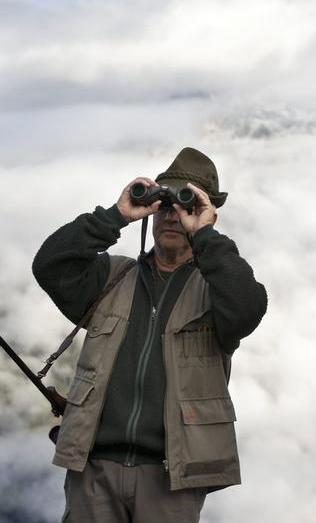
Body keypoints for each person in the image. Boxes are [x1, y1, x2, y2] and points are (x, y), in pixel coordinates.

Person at [33, 147, 267, 523]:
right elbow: (50, 264)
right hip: (94, 470)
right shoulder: (112, 277)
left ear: (206, 213)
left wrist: (205, 235)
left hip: (171, 477)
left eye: (186, 207)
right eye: (165, 205)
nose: (173, 215)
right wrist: (115, 216)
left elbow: (248, 308)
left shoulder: (214, 290)